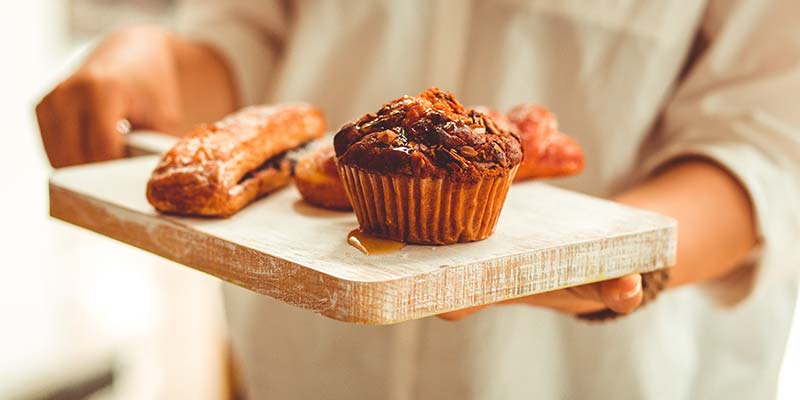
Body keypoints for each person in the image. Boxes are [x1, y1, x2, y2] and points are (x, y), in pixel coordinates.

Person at [36, 1, 800, 398]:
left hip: (605, 377)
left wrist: (613, 259)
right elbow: (251, 31)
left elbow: (766, 139)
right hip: (306, 359)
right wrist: (159, 59)